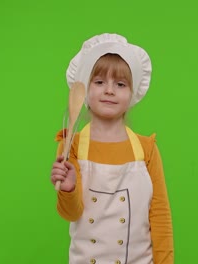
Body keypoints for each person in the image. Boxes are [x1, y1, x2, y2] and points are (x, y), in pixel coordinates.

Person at [50, 33, 174, 264]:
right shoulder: (70, 146)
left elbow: (160, 216)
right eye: (99, 82)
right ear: (85, 89)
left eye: (120, 84)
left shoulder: (146, 149)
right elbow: (71, 214)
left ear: (132, 92)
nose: (109, 90)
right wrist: (68, 190)